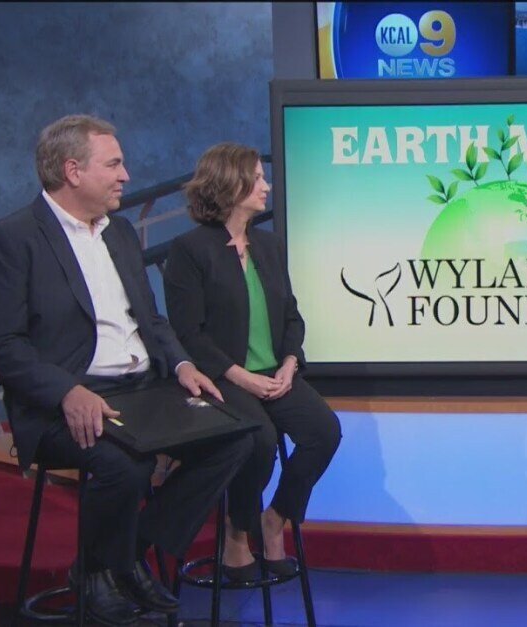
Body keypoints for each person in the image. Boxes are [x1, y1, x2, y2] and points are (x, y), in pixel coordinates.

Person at [0, 115, 254, 626]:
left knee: (236, 437)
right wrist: (66, 391)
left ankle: (123, 558)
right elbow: (0, 345)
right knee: (125, 465)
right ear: (72, 170)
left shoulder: (120, 233)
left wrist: (183, 363)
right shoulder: (11, 239)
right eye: (114, 164)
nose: (126, 175)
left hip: (144, 389)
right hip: (65, 402)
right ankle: (107, 571)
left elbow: (151, 319)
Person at [163, 142, 341, 581]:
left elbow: (291, 315)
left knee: (324, 431)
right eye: (258, 178)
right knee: (258, 441)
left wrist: (289, 363)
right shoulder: (190, 250)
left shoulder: (269, 245)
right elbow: (189, 332)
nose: (267, 186)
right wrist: (240, 376)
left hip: (274, 374)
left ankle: (275, 519)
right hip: (223, 377)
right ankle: (237, 531)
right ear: (231, 182)